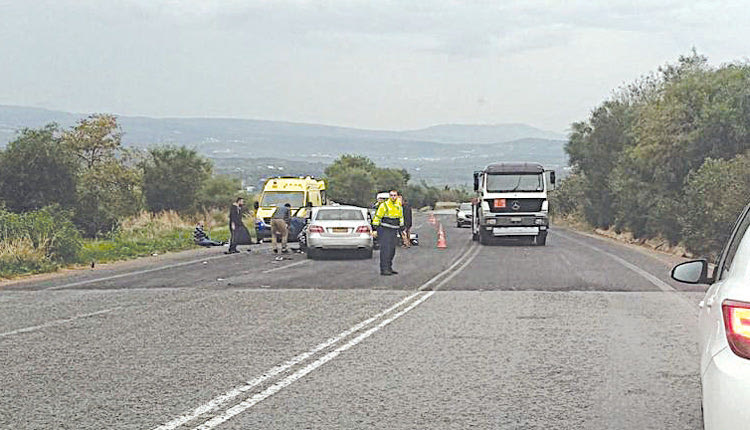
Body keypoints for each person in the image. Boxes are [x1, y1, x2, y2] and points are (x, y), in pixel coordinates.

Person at [372, 190, 404, 276]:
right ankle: (384, 269)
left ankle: (389, 267)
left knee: (392, 250)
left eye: (395, 195)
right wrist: (375, 228)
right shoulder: (384, 205)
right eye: (392, 195)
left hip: (394, 230)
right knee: (385, 250)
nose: (393, 197)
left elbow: (400, 217)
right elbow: (378, 216)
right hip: (384, 230)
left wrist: (402, 226)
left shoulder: (398, 206)